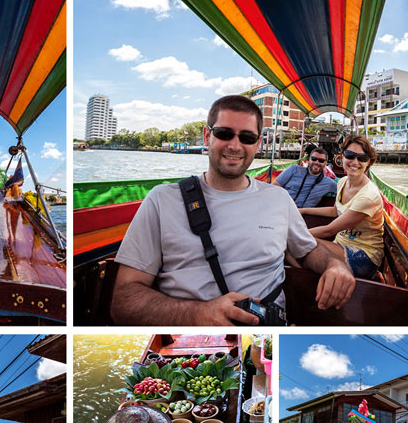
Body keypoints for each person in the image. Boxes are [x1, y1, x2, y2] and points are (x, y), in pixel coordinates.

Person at [111, 95, 355, 325]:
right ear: (207, 136)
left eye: (247, 138)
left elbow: (308, 251)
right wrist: (198, 314)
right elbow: (124, 301)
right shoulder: (162, 200)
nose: (235, 146)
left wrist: (335, 265)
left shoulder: (279, 199)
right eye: (224, 134)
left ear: (258, 144)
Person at [299, 135, 384, 279]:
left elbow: (329, 230)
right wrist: (303, 210)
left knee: (299, 245)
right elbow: (335, 210)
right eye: (350, 155)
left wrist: (295, 235)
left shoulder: (368, 196)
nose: (355, 162)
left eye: (362, 158)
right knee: (296, 247)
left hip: (364, 256)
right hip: (340, 244)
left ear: (368, 163)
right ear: (342, 157)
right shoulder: (343, 182)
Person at [272, 147, 337, 207]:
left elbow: (344, 191)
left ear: (326, 163)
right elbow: (274, 186)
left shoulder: (329, 183)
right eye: (314, 159)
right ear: (309, 159)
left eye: (321, 160)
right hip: (282, 207)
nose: (317, 162)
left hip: (302, 215)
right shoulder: (293, 169)